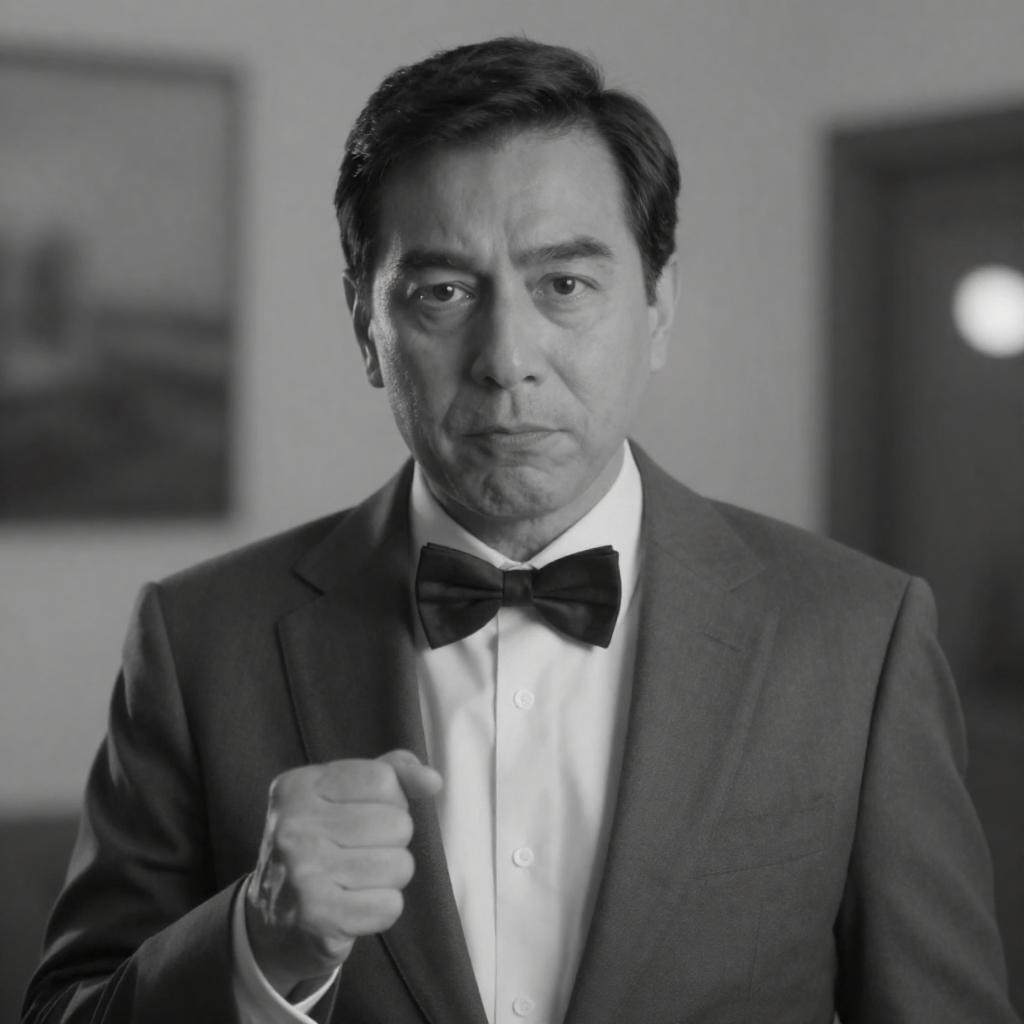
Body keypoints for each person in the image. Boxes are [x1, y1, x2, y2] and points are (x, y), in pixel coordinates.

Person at [23, 36, 1019, 1024]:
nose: (506, 358)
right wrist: (257, 945)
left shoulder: (857, 637)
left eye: (564, 285)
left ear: (658, 308)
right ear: (366, 327)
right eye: (443, 293)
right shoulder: (197, 640)